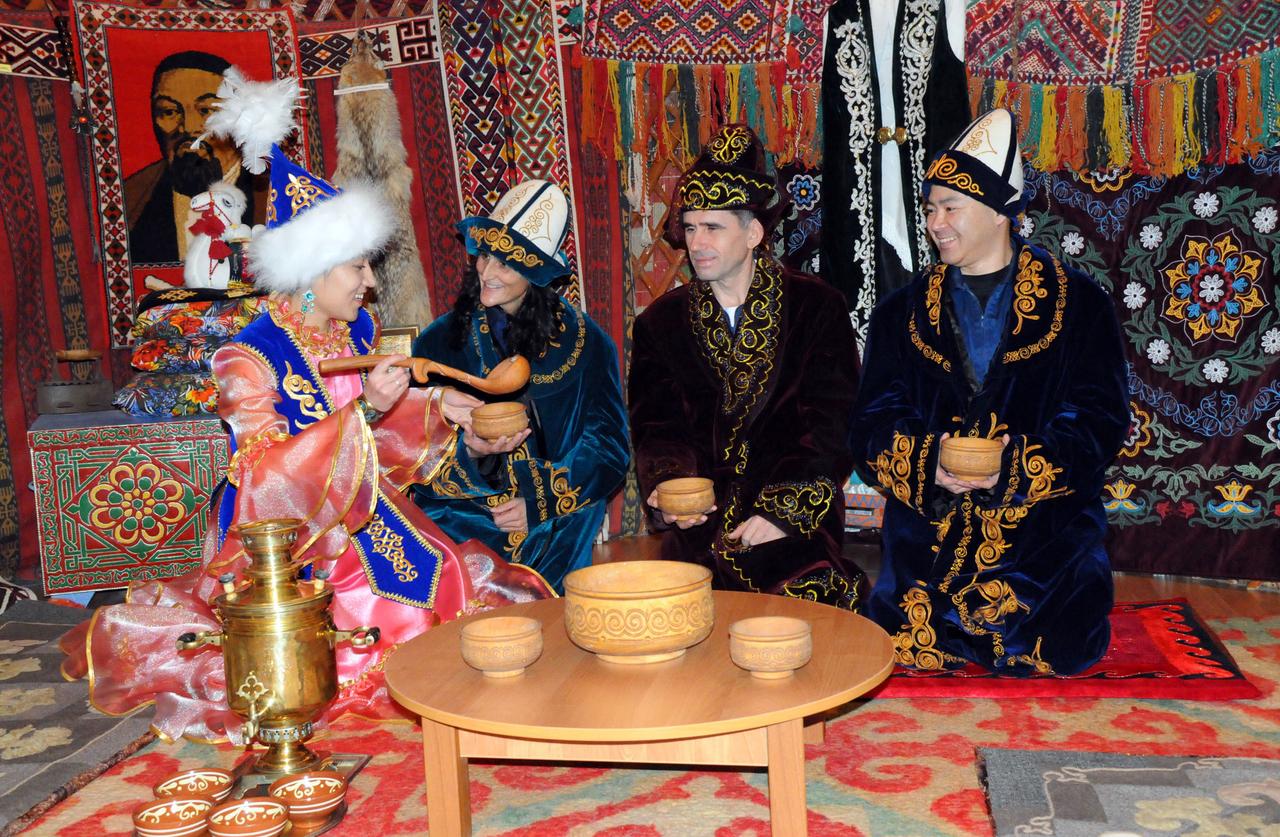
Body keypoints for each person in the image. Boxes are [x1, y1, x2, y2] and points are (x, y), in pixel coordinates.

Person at [62, 69, 552, 743]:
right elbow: (263, 482)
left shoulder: (351, 331)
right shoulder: (247, 357)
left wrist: (440, 408)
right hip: (287, 548)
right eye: (357, 268)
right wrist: (368, 416)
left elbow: (383, 440)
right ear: (314, 270)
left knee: (461, 584)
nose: (371, 283)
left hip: (362, 515)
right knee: (399, 639)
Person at [848, 109, 1128, 676]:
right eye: (930, 209)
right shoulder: (898, 315)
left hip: (1044, 536)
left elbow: (1100, 420)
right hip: (930, 538)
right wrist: (931, 468)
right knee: (902, 641)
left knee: (1061, 643)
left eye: (951, 208)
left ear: (1003, 213)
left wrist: (1013, 468)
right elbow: (871, 423)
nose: (935, 223)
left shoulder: (1081, 304)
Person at [628, 124, 867, 610]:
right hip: (702, 513)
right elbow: (656, 424)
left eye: (713, 227)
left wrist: (781, 512)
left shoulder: (816, 307)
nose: (697, 243)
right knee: (675, 611)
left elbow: (831, 423)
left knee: (804, 594)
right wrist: (671, 485)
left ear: (754, 232)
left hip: (794, 506)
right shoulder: (661, 323)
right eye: (691, 228)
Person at [412, 180, 629, 593]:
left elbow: (609, 448)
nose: (487, 273)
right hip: (467, 517)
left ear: (535, 273)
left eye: (505, 265)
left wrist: (539, 501)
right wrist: (470, 453)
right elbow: (413, 449)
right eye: (484, 257)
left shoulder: (589, 343)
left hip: (555, 525)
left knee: (581, 512)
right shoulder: (440, 342)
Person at [125, 51, 266, 264]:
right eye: (170, 111)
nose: (189, 128)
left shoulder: (274, 195)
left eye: (207, 110)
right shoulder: (131, 198)